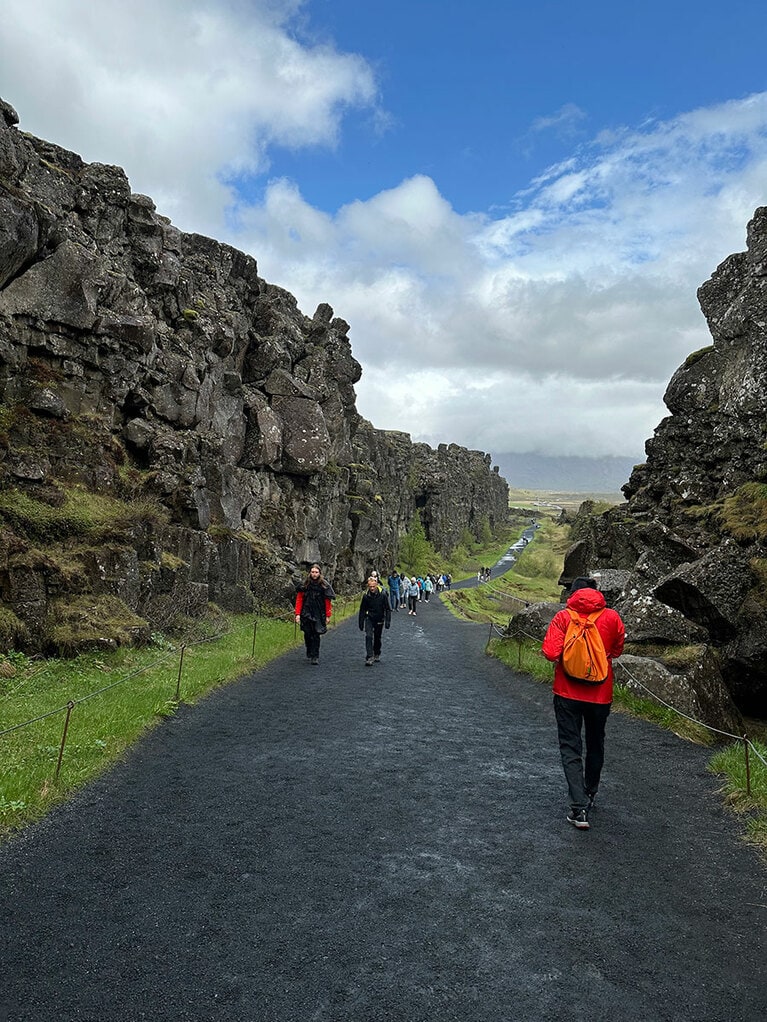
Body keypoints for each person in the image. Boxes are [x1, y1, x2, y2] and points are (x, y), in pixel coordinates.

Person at [541, 577, 625, 830]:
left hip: (567, 693)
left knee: (570, 746)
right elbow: (618, 650)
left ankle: (578, 809)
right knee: (596, 742)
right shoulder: (612, 617)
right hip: (600, 695)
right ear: (596, 593)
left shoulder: (563, 617)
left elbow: (550, 653)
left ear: (574, 594)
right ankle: (591, 792)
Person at [294, 563, 334, 666]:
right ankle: (309, 648)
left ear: (320, 573)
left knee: (316, 634)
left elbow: (327, 601)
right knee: (307, 633)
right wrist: (297, 614)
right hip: (306, 612)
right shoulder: (304, 584)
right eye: (312, 572)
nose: (314, 574)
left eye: (316, 572)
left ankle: (315, 656)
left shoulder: (324, 585)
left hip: (319, 613)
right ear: (309, 573)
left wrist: (328, 615)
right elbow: (299, 599)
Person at [358, 574, 391, 665]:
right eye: (370, 586)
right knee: (368, 636)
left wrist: (388, 621)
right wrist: (361, 622)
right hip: (369, 618)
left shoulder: (383, 595)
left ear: (376, 585)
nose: (372, 588)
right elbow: (362, 610)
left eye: (373, 586)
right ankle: (369, 656)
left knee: (377, 637)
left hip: (379, 618)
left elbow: (387, 609)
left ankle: (377, 653)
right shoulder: (365, 596)